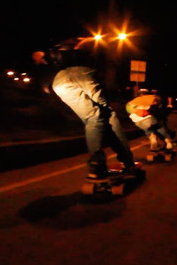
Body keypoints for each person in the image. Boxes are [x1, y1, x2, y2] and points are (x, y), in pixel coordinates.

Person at [32, 39, 136, 179]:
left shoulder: (57, 51)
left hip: (59, 82)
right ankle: (126, 160)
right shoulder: (83, 45)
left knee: (93, 118)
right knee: (107, 115)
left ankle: (96, 166)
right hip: (83, 74)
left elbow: (39, 56)